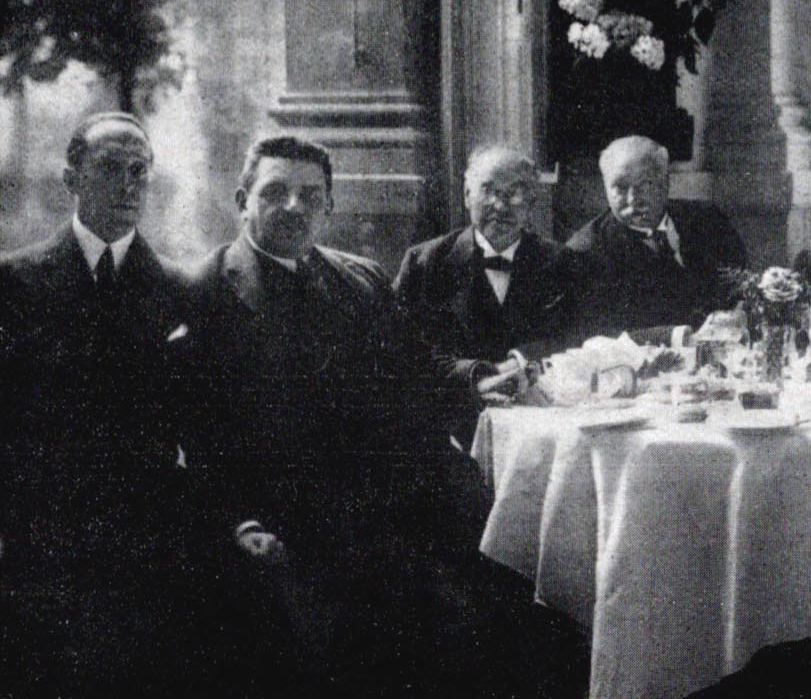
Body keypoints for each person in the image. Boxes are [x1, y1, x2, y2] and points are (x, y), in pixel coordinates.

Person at [173, 135, 586, 697]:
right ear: (243, 200)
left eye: (310, 196)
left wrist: (479, 379)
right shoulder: (203, 293)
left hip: (386, 514)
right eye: (275, 193)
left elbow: (415, 375)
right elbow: (197, 440)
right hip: (289, 527)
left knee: (523, 600)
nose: (294, 207)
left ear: (329, 207)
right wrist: (239, 524)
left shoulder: (360, 280)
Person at [0, 112, 192, 696]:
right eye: (111, 168)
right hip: (40, 544)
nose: (129, 184)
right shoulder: (15, 284)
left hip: (145, 549)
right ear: (71, 178)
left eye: (140, 170)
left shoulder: (179, 290)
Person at [395, 144, 571, 364]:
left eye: (515, 193)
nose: (500, 206)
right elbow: (401, 347)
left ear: (531, 204)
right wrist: (473, 374)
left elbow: (574, 339)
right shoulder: (424, 264)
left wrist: (521, 360)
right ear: (467, 196)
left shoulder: (562, 263)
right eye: (488, 190)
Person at [566, 135, 747, 338]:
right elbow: (597, 336)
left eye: (645, 184)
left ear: (666, 182)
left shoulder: (709, 220)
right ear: (605, 187)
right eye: (620, 187)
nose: (633, 199)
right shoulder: (585, 252)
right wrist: (677, 336)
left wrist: (740, 310)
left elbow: (742, 285)